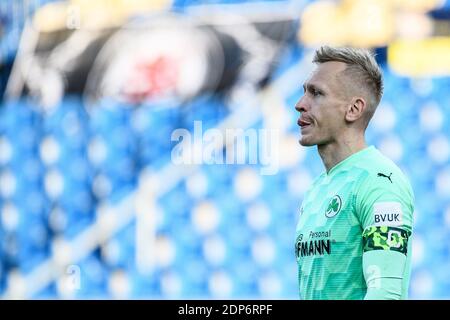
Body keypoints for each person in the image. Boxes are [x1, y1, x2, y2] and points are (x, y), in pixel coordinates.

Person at [294, 46, 414, 300]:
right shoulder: (317, 188)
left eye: (316, 93)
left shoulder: (379, 182)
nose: (300, 105)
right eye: (304, 92)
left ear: (353, 109)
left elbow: (386, 293)